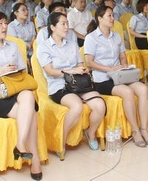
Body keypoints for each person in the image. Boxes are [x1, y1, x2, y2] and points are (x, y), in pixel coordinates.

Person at [0, 11, 42, 180]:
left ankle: (21, 144)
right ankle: (35, 161)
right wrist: (0, 72)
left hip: (15, 90)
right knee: (31, 113)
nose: (5, 27)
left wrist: (15, 70)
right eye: (0, 24)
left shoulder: (13, 46)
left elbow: (23, 71)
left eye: (5, 23)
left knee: (28, 95)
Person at [84, 6, 148, 148]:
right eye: (109, 16)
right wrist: (109, 69)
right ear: (99, 18)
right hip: (103, 79)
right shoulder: (91, 38)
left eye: (112, 15)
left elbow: (122, 56)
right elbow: (89, 62)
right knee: (127, 92)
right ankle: (135, 131)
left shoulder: (116, 36)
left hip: (120, 75)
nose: (112, 18)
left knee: (143, 89)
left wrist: (124, 66)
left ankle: (143, 129)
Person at [36, 12, 105, 155]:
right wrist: (71, 71)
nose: (67, 27)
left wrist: (82, 69)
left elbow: (80, 64)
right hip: (59, 86)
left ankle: (91, 133)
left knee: (100, 105)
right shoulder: (44, 47)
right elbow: (50, 71)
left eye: (67, 23)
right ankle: (60, 140)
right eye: (63, 24)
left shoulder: (72, 44)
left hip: (79, 84)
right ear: (52, 27)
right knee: (77, 106)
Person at [8, 2, 37, 69]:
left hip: (32, 51)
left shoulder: (31, 24)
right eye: (23, 10)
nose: (26, 12)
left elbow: (34, 38)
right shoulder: (11, 26)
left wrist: (29, 46)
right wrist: (28, 47)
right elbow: (16, 44)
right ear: (16, 13)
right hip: (19, 53)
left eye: (27, 10)